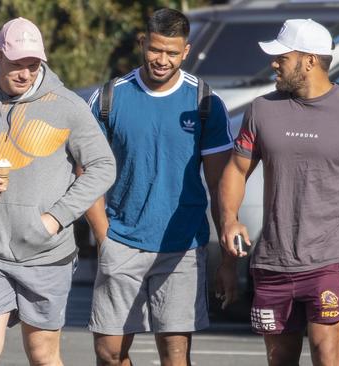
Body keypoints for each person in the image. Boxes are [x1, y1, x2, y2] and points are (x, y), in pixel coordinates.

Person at [0, 17, 116, 366]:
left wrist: (55, 218)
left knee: (43, 355)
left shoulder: (67, 106)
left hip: (47, 255)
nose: (25, 74)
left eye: (34, 66)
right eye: (17, 64)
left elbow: (103, 166)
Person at [218, 19, 339, 366]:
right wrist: (228, 219)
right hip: (272, 261)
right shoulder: (261, 110)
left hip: (331, 260)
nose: (274, 63)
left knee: (326, 354)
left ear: (310, 60)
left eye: (282, 57)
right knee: (280, 358)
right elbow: (236, 170)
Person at [85, 8, 235, 366]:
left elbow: (222, 186)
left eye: (172, 52)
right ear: (142, 43)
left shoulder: (205, 103)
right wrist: (104, 238)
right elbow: (86, 174)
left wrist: (227, 260)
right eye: (155, 49)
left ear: (186, 51)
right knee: (109, 353)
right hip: (121, 241)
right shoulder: (109, 99)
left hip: (181, 247)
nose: (162, 60)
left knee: (175, 354)